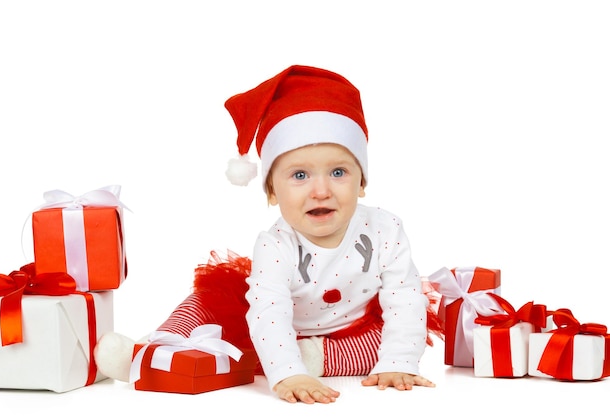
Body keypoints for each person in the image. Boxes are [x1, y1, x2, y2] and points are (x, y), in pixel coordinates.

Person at [94, 65, 441, 404]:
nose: (321, 190)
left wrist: (399, 362)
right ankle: (152, 350)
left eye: (338, 172)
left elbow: (404, 299)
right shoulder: (275, 245)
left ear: (361, 181)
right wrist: (287, 371)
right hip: (276, 327)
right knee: (205, 303)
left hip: (350, 330)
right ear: (272, 192)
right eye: (300, 176)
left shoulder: (385, 229)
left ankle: (313, 359)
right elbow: (268, 314)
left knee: (389, 339)